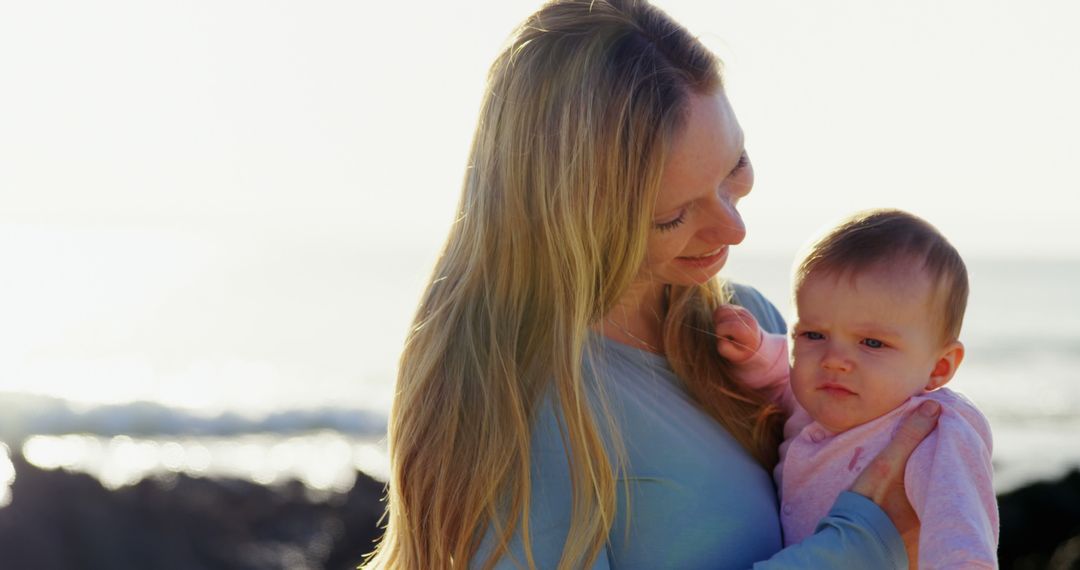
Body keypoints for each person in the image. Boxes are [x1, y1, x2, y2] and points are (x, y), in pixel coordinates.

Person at [363, 1, 940, 568]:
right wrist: (864, 545)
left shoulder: (749, 322)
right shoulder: (512, 402)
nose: (733, 230)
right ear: (573, 216)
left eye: (735, 167)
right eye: (673, 216)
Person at [715, 209, 999, 568]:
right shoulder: (818, 396)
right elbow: (781, 371)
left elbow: (961, 534)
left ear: (939, 367)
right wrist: (752, 351)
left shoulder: (936, 432)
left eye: (872, 343)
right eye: (814, 334)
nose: (834, 360)